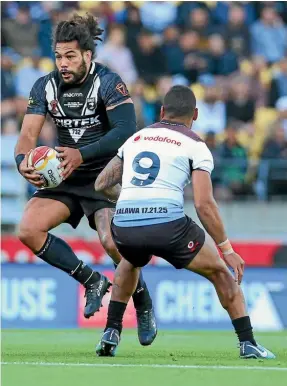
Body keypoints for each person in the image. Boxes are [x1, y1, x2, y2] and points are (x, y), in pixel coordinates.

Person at [94, 85, 275, 359]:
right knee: (219, 273)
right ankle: (248, 342)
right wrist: (227, 249)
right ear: (196, 115)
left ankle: (111, 331)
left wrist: (131, 199)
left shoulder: (136, 138)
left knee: (130, 261)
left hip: (125, 224)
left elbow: (102, 184)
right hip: (168, 225)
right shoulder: (195, 144)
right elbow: (204, 204)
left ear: (163, 111)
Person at [14, 13, 156, 346]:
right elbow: (26, 136)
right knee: (28, 230)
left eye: (70, 56)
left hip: (104, 177)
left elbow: (126, 131)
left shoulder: (108, 82)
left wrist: (82, 153)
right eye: (59, 56)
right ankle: (91, 280)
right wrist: (23, 162)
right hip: (63, 176)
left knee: (111, 242)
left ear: (87, 56)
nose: (63, 63)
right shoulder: (44, 86)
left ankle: (143, 299)